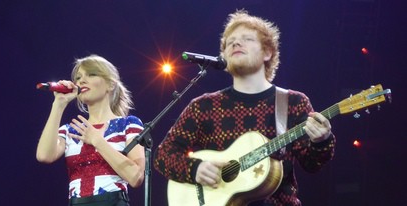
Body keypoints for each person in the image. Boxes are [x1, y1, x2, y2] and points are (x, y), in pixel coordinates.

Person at [153, 10, 335, 206]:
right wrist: (195, 169)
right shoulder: (202, 106)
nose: (236, 44)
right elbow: (163, 155)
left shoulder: (293, 102)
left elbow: (312, 164)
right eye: (230, 42)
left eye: (247, 39)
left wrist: (321, 141)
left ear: (268, 52)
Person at [36, 54, 145, 206]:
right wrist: (58, 104)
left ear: (111, 85)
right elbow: (44, 155)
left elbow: (136, 177)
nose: (81, 80)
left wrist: (97, 141)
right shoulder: (71, 130)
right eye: (78, 77)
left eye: (91, 74)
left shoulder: (128, 125)